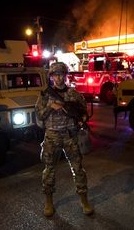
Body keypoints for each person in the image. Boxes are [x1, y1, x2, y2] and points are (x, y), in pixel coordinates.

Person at [35, 62, 94, 217]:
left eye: (61, 74)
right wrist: (50, 107)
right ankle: (49, 202)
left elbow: (84, 112)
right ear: (51, 77)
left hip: (70, 135)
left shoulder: (74, 94)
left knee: (78, 169)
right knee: (49, 170)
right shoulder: (45, 95)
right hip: (52, 136)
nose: (58, 78)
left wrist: (81, 119)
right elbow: (39, 116)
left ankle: (84, 200)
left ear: (66, 75)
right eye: (55, 75)